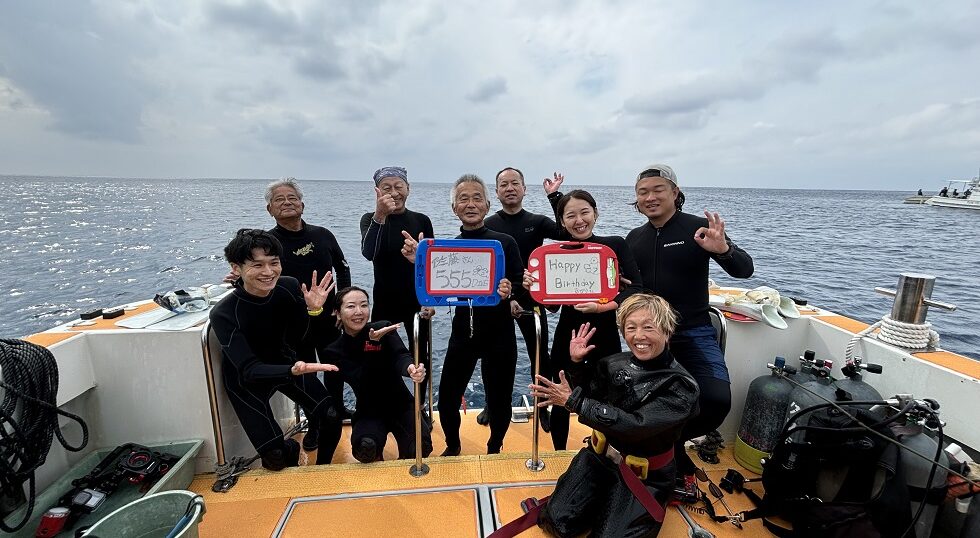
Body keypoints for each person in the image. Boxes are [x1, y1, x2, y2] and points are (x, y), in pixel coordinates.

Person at [625, 164, 753, 489]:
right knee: (643, 402)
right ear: (637, 200)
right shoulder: (634, 239)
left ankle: (671, 446)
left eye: (658, 190)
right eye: (643, 192)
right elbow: (628, 286)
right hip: (651, 338)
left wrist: (723, 250)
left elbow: (744, 270)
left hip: (694, 331)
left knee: (716, 400)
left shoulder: (698, 229)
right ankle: (664, 453)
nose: (650, 197)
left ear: (675, 193)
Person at [529, 294, 700, 537]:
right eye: (630, 328)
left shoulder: (680, 387)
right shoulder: (613, 363)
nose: (638, 336)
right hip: (599, 458)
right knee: (557, 523)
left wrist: (575, 402)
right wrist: (577, 364)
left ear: (667, 330)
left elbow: (634, 425)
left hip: (645, 476)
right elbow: (592, 396)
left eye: (648, 327)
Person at [401, 174, 523, 455]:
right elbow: (432, 288)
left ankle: (495, 447)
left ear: (488, 204)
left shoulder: (505, 242)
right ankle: (453, 446)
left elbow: (519, 283)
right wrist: (418, 260)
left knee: (500, 400)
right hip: (463, 334)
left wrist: (510, 289)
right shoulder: (446, 248)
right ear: (454, 208)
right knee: (446, 401)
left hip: (500, 333)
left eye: (477, 198)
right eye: (463, 199)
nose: (471, 204)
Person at [210, 229, 341, 470]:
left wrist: (313, 311)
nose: (268, 272)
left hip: (287, 364)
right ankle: (291, 451)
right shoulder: (225, 313)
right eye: (257, 265)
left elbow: (300, 336)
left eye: (274, 263)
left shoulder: (288, 287)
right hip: (248, 382)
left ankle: (323, 470)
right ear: (236, 268)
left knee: (331, 415)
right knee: (276, 458)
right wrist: (292, 370)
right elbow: (248, 369)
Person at [537, 180, 643, 450]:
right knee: (561, 395)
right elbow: (551, 305)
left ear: (595, 213)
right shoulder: (557, 252)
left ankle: (602, 451)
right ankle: (560, 453)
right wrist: (535, 288)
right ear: (562, 221)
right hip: (568, 333)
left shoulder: (614, 246)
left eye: (584, 212)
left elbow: (639, 289)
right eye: (570, 216)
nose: (579, 220)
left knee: (607, 396)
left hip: (605, 332)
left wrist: (603, 306)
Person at [265, 178, 351, 456]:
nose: (287, 202)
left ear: (302, 204)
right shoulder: (268, 242)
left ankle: (337, 411)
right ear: (270, 209)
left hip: (328, 319)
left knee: (334, 367)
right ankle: (314, 423)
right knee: (303, 372)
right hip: (293, 324)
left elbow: (343, 268)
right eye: (279, 199)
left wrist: (342, 304)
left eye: (292, 198)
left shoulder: (322, 234)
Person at [483, 166, 561, 431]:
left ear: (525, 189)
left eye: (515, 183)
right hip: (500, 299)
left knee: (540, 355)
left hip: (532, 297)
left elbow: (566, 233)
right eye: (503, 184)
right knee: (494, 357)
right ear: (496, 192)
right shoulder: (489, 224)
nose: (510, 188)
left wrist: (555, 197)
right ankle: (491, 406)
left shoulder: (537, 221)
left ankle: (543, 407)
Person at [322, 286, 433, 462]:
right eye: (351, 306)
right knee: (365, 450)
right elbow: (346, 388)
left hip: (402, 406)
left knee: (421, 447)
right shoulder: (334, 351)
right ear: (337, 312)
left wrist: (411, 368)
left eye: (364, 305)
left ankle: (405, 456)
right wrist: (371, 346)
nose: (359, 312)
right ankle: (377, 453)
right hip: (369, 411)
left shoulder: (383, 328)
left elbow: (400, 356)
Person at [360, 167, 436, 409]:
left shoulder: (421, 220)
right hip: (384, 300)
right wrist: (380, 216)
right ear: (377, 192)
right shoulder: (370, 220)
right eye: (387, 188)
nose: (394, 192)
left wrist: (430, 300)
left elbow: (433, 265)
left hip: (417, 300)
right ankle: (387, 405)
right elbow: (369, 252)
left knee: (420, 357)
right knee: (380, 355)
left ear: (408, 188)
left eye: (398, 186)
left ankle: (420, 407)